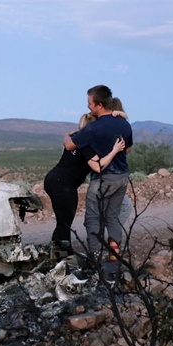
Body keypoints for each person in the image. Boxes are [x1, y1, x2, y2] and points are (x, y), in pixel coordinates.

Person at [64, 85, 133, 261]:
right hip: (122, 176)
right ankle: (114, 255)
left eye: (90, 103)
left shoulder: (93, 128)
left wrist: (70, 135)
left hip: (103, 179)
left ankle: (95, 257)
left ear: (99, 105)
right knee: (113, 217)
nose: (88, 106)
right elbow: (129, 149)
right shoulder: (124, 123)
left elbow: (70, 145)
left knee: (93, 218)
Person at [45, 109, 127, 257]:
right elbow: (98, 166)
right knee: (65, 222)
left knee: (63, 221)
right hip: (63, 185)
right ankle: (63, 256)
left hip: (54, 180)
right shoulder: (87, 145)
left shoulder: (75, 138)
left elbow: (67, 140)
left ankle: (58, 254)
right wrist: (114, 150)